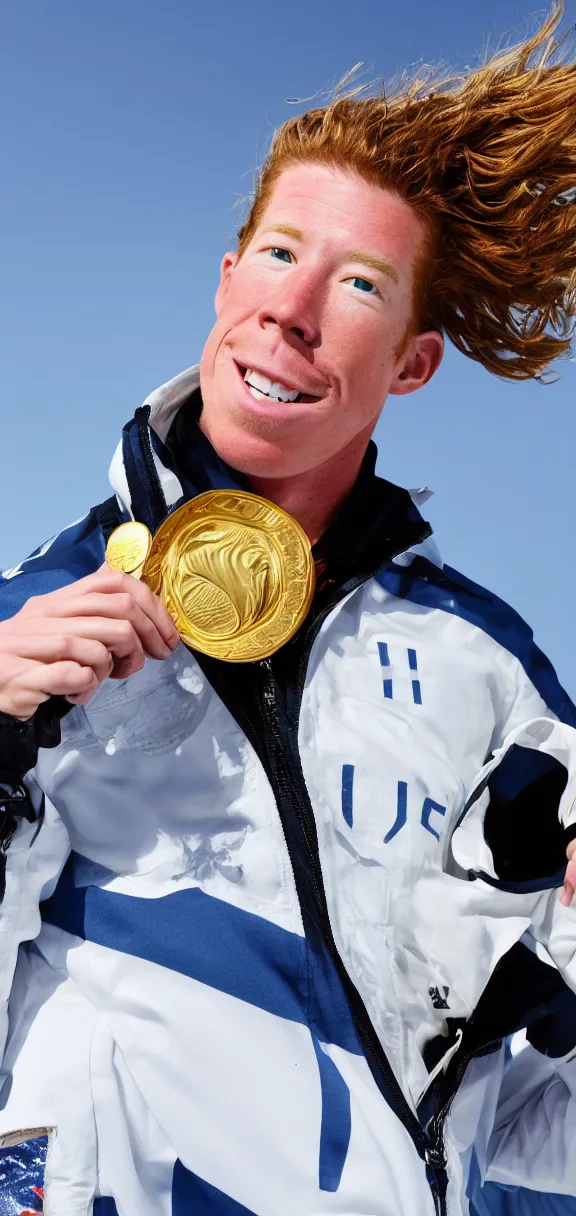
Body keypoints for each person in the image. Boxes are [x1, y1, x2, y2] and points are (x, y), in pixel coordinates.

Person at [0, 5, 576, 1214]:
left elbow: (522, 1132)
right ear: (226, 280)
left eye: (358, 282)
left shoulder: (491, 674)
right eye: (276, 252)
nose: (293, 307)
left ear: (411, 363)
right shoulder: (34, 626)